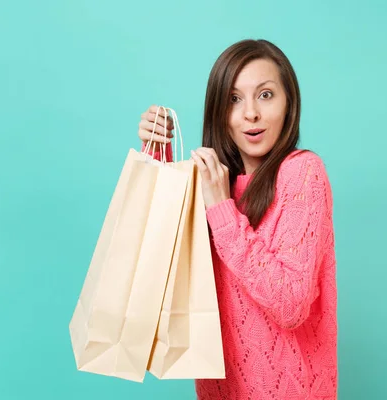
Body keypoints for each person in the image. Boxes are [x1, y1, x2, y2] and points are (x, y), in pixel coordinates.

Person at [137, 39, 337, 400]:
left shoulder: (303, 173)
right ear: (219, 111)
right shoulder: (213, 183)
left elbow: (290, 305)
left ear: (289, 103)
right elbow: (164, 267)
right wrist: (159, 155)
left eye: (265, 95)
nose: (250, 114)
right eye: (234, 99)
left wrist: (222, 210)